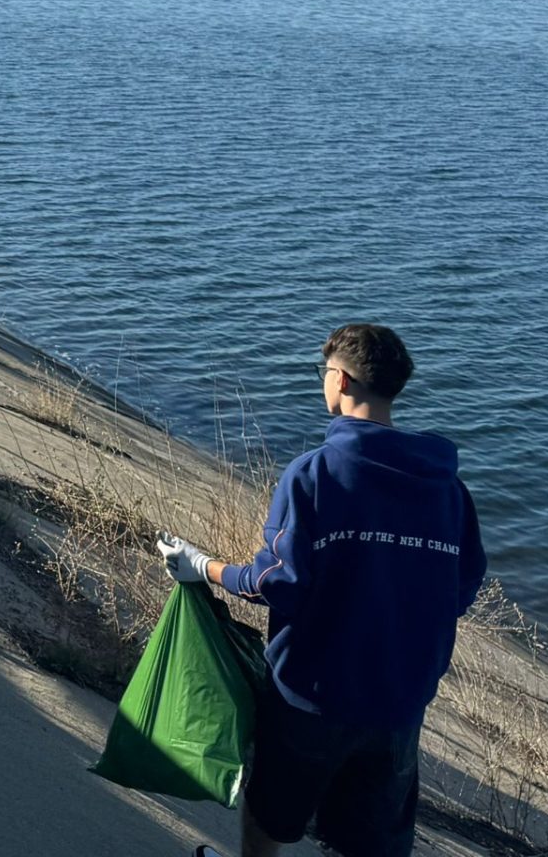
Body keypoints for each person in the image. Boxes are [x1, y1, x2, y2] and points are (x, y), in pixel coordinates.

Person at [162, 323, 485, 857]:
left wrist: (203, 566)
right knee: (370, 841)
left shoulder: (314, 474)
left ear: (341, 380)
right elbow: (463, 589)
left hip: (311, 697)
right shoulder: (448, 489)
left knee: (271, 814)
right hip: (401, 701)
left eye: (325, 372)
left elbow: (275, 581)